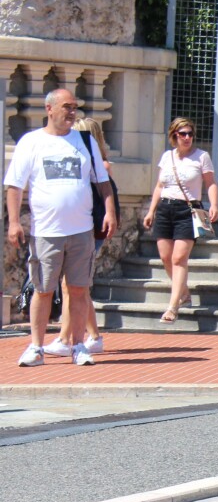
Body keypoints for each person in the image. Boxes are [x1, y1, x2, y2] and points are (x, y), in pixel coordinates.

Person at [5, 88, 117, 367]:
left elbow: (102, 181)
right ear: (49, 109)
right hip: (46, 231)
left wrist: (111, 212)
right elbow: (15, 185)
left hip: (81, 230)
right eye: (66, 106)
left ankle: (78, 345)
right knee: (43, 290)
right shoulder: (31, 142)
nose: (72, 112)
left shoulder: (85, 141)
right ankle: (36, 347)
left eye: (75, 107)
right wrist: (15, 221)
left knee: (78, 289)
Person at [142, 117, 218, 325]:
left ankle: (173, 306)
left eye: (190, 134)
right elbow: (160, 185)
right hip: (166, 209)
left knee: (179, 259)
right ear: (174, 136)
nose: (187, 138)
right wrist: (151, 211)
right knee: (165, 257)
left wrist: (213, 204)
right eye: (182, 134)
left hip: (189, 210)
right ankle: (184, 294)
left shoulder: (202, 157)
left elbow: (210, 183)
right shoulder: (167, 157)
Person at [45, 116, 111, 356]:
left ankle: (65, 338)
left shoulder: (99, 165)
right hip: (78, 226)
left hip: (88, 228)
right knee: (77, 286)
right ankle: (94, 336)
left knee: (72, 285)